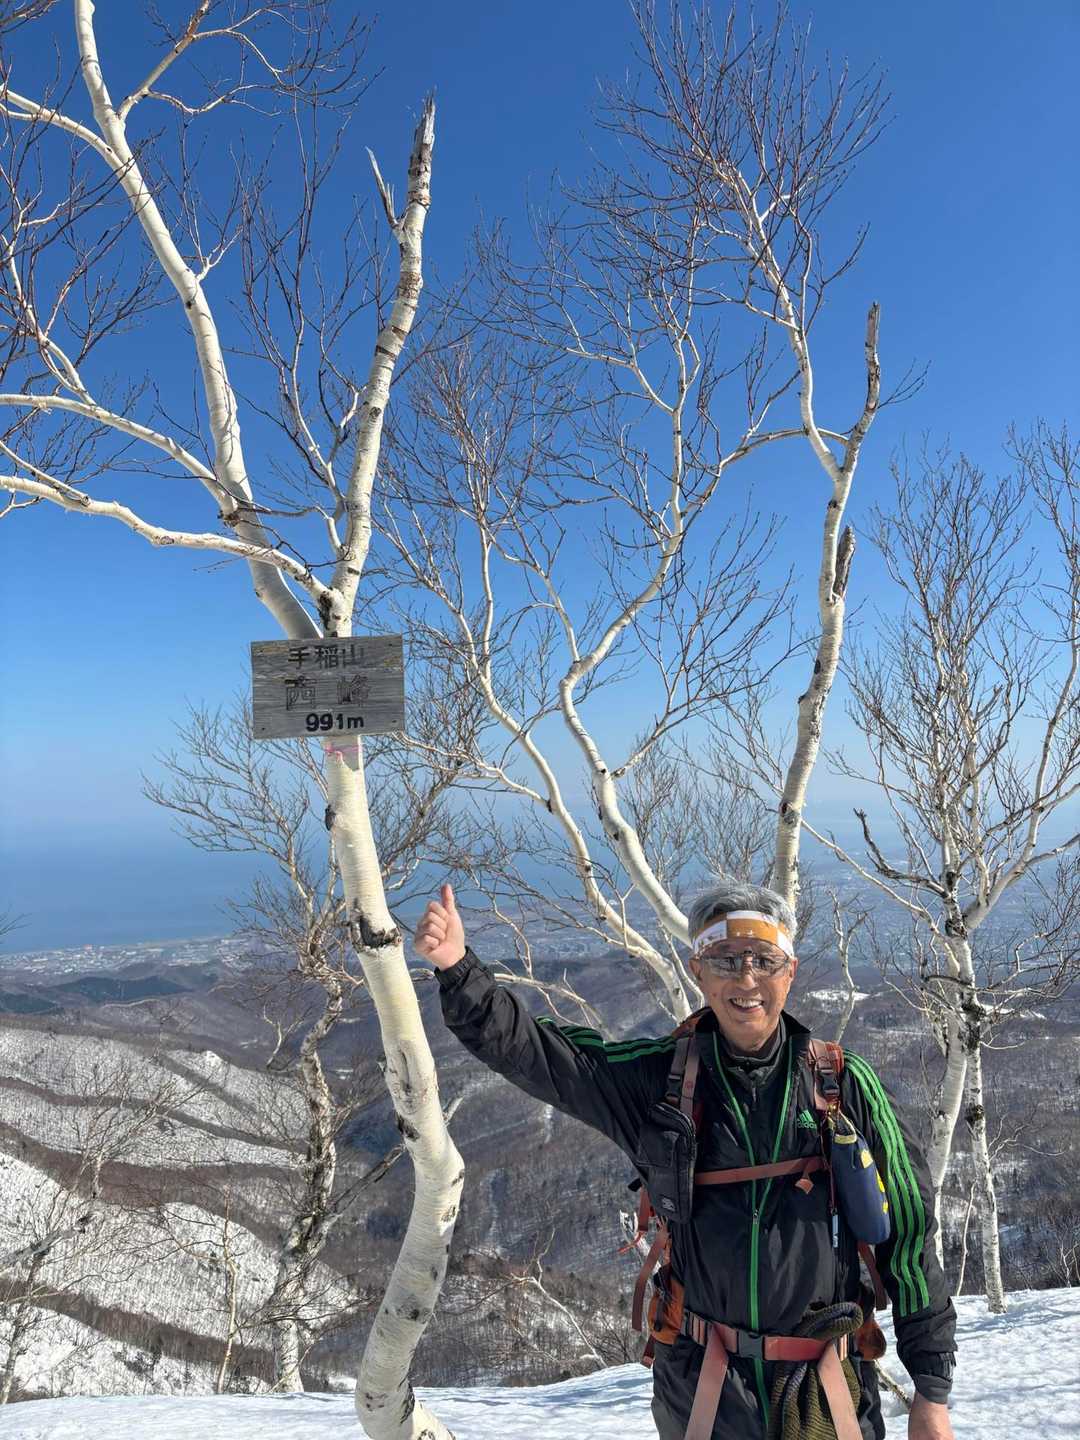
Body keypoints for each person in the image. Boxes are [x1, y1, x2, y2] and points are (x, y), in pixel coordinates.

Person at [415, 876, 957, 1440]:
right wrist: (458, 968)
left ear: (789, 972)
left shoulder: (843, 1085)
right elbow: (544, 1055)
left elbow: (910, 1240)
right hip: (704, 1391)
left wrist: (931, 1392)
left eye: (764, 960)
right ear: (698, 971)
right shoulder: (660, 1083)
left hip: (825, 1391)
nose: (746, 978)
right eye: (725, 960)